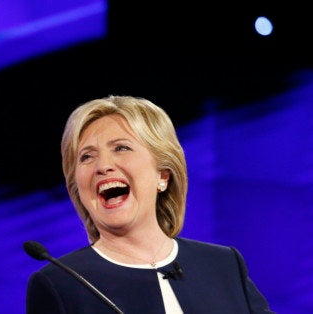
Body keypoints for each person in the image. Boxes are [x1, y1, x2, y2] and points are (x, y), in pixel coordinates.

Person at [26, 95, 273, 313]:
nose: (103, 166)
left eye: (121, 148)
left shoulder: (224, 265)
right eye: (86, 156)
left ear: (163, 176)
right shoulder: (60, 283)